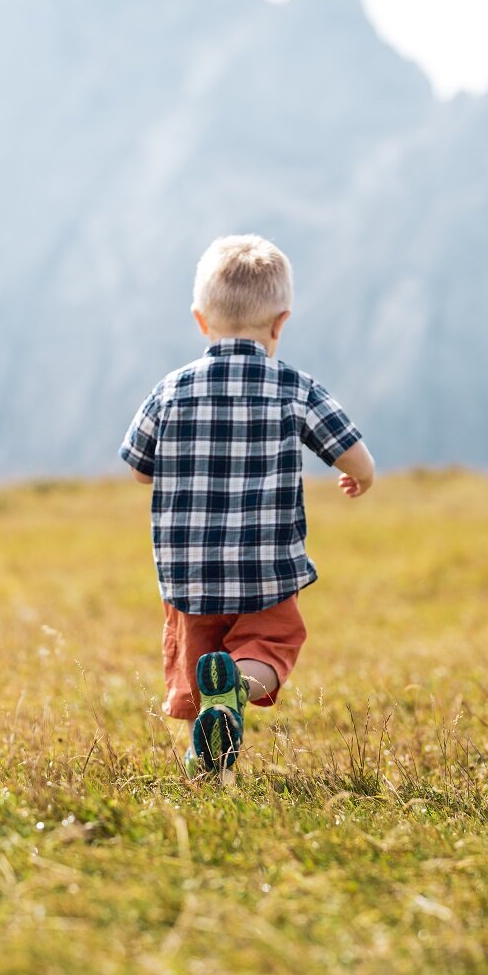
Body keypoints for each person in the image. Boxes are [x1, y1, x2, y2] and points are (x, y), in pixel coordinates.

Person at [120, 235, 376, 776]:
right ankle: (236, 687)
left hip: (189, 576)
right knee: (270, 644)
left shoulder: (170, 390)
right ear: (280, 322)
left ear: (200, 319)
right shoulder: (294, 388)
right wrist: (361, 478)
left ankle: (205, 760)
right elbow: (354, 454)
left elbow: (139, 466)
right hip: (266, 572)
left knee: (198, 671)